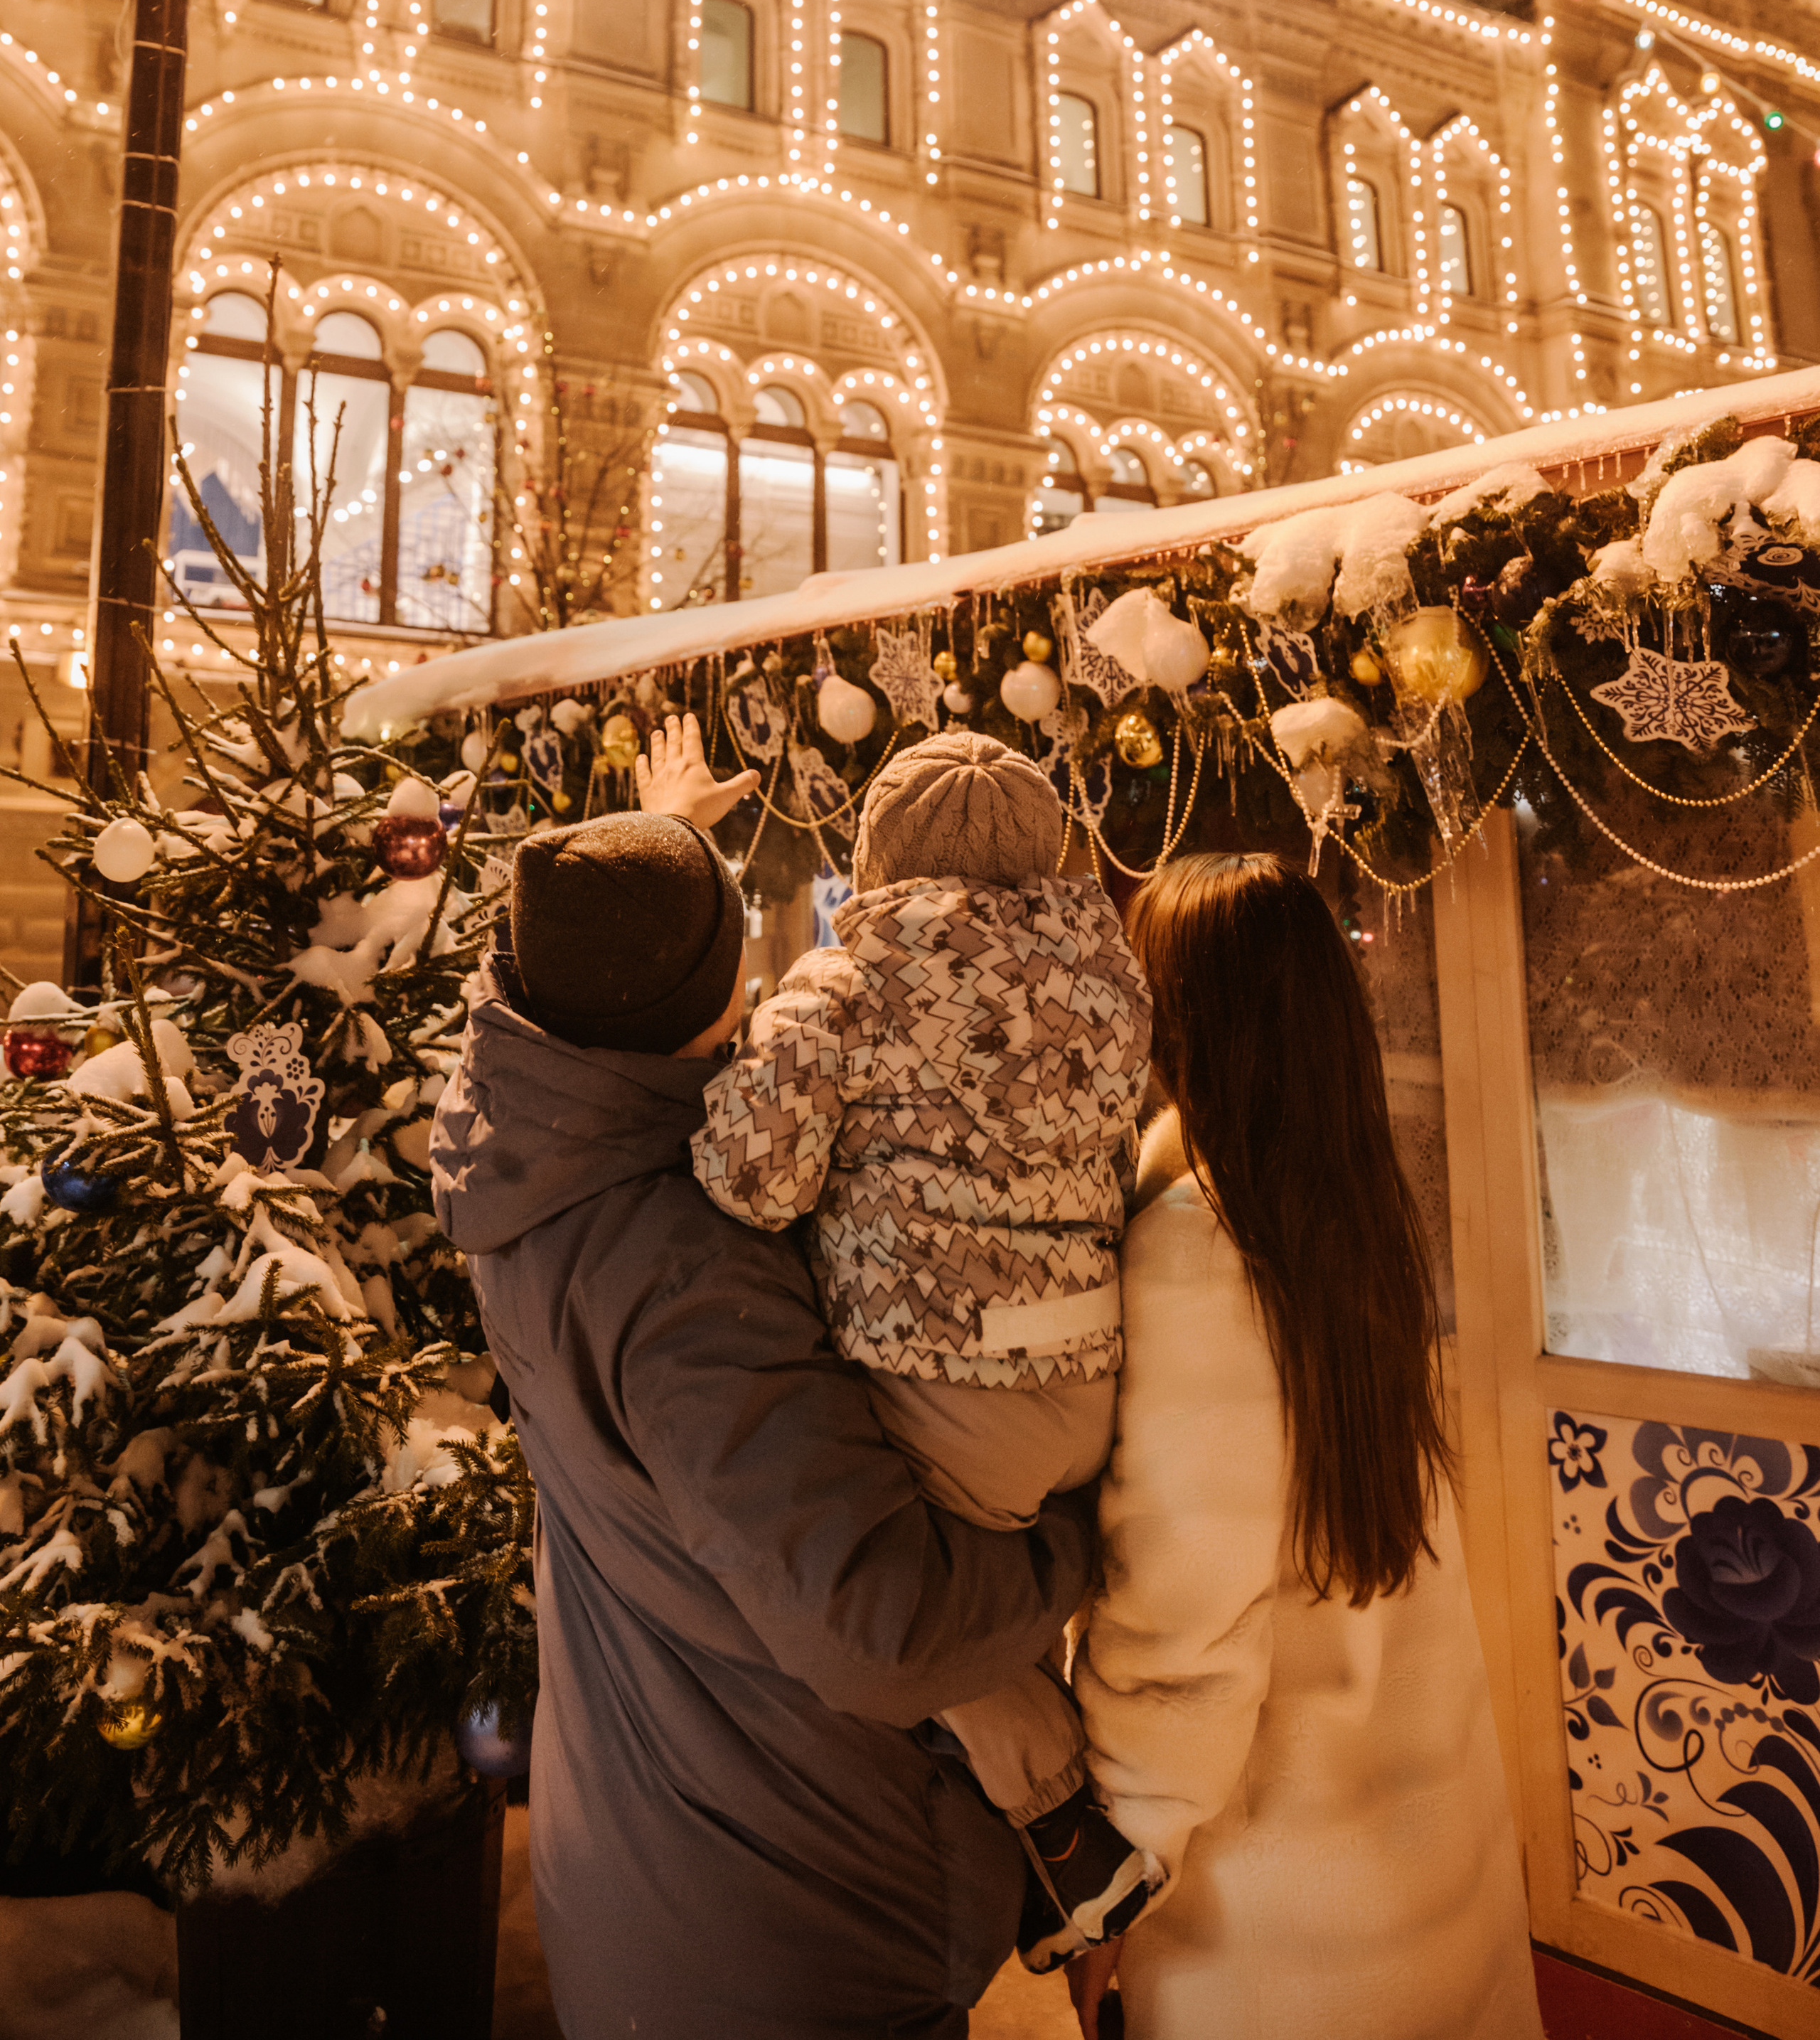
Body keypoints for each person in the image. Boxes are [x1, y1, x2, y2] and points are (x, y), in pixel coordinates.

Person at [430, 714, 1096, 2040]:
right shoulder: (684, 1268)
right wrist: (1081, 1545)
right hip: (786, 1916)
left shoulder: (528, 1144)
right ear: (720, 1003)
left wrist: (667, 835)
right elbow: (875, 1622)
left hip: (656, 1856)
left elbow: (596, 957)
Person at [692, 730, 1160, 1967]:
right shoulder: (1111, 981)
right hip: (1089, 1379)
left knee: (883, 1622)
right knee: (981, 1613)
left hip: (944, 1384)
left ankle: (1068, 1840)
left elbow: (750, 1180)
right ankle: (1064, 1867)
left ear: (877, 856)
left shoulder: (848, 983)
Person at [1067, 853, 1544, 2040]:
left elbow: (1182, 1631)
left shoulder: (1194, 1246)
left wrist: (1113, 1875)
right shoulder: (1354, 1210)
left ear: (1176, 1022)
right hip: (1415, 1834)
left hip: (1280, 1890)